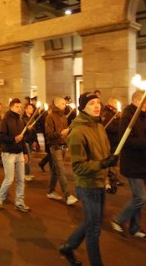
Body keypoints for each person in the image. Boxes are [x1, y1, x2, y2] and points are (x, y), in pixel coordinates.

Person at [59, 92, 118, 266]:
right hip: (87, 186)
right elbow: (78, 167)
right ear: (83, 107)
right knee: (94, 229)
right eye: (92, 103)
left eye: (98, 102)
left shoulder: (98, 126)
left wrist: (112, 175)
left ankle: (68, 247)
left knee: (93, 221)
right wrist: (103, 164)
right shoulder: (77, 132)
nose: (97, 106)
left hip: (100, 182)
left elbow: (106, 153)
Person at [111, 90, 146, 239]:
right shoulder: (127, 116)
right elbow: (126, 140)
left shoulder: (142, 116)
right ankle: (118, 219)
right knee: (140, 198)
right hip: (133, 164)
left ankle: (135, 227)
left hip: (142, 163)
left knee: (138, 198)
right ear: (138, 102)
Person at [0, 98, 30, 212]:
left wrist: (25, 152)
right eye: (17, 107)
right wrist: (13, 139)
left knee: (21, 179)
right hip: (8, 153)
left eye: (20, 107)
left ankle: (19, 202)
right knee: (9, 179)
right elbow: (0, 136)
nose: (19, 109)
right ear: (11, 107)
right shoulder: (5, 120)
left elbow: (23, 138)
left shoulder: (20, 121)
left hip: (19, 152)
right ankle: (0, 198)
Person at [45, 97, 78, 205]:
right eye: (63, 103)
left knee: (56, 170)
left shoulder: (63, 116)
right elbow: (49, 135)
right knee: (61, 170)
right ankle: (67, 195)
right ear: (57, 104)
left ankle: (50, 191)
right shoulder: (50, 117)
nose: (65, 105)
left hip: (62, 145)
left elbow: (65, 132)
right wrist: (60, 133)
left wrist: (67, 137)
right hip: (55, 147)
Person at [22, 103, 38, 181]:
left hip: (31, 139)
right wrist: (26, 128)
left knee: (29, 157)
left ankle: (27, 173)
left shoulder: (32, 118)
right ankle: (25, 174)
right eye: (29, 108)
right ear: (26, 109)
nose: (31, 109)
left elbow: (35, 130)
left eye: (32, 108)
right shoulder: (23, 119)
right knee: (27, 157)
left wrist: (35, 140)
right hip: (26, 140)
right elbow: (22, 130)